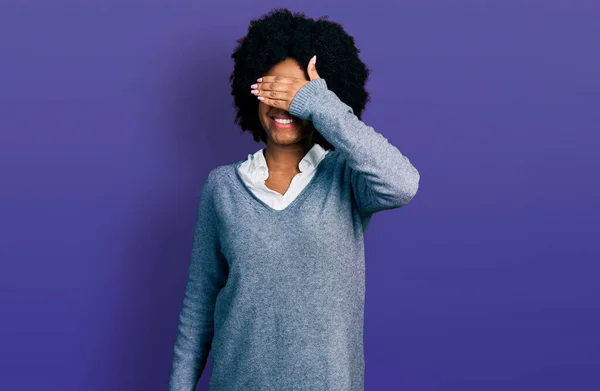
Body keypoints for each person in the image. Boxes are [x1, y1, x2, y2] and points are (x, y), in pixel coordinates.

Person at [168, 8, 420, 391]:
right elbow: (199, 305)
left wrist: (321, 104)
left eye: (296, 95)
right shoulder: (221, 188)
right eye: (274, 90)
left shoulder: (346, 178)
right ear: (253, 94)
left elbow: (402, 184)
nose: (284, 105)